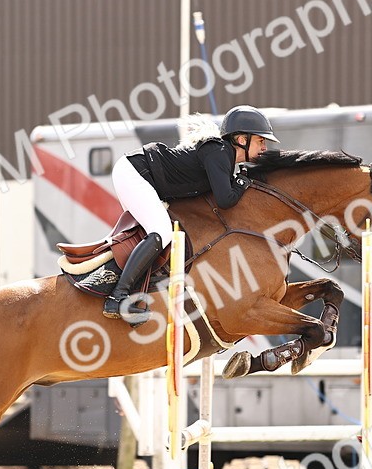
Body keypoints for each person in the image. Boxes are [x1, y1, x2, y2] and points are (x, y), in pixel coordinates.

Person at [103, 105, 279, 325]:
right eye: (261, 141)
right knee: (161, 232)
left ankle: (133, 294)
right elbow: (225, 200)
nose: (264, 147)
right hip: (134, 172)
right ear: (242, 139)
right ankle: (117, 297)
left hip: (140, 175)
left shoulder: (224, 158)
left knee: (162, 238)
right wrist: (243, 182)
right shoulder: (219, 152)